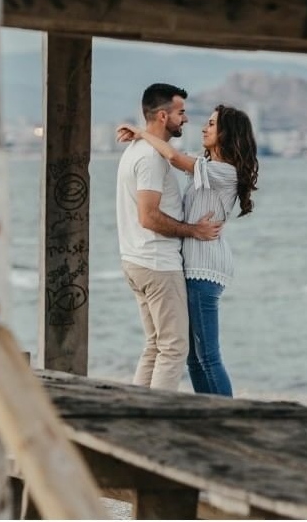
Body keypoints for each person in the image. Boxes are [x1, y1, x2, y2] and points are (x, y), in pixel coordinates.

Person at [117, 104, 259, 397]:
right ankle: (206, 412)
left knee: (207, 354)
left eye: (211, 124)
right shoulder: (209, 169)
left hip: (204, 269)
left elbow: (172, 156)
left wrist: (142, 133)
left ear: (226, 134)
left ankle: (226, 420)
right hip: (193, 266)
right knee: (194, 356)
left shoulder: (223, 172)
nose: (205, 128)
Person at [116, 83, 222, 392]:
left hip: (137, 259)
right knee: (174, 348)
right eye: (181, 112)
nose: (186, 119)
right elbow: (148, 216)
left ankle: (136, 412)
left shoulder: (139, 150)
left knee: (155, 346)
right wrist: (194, 231)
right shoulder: (149, 157)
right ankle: (156, 419)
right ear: (163, 116)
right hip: (157, 263)